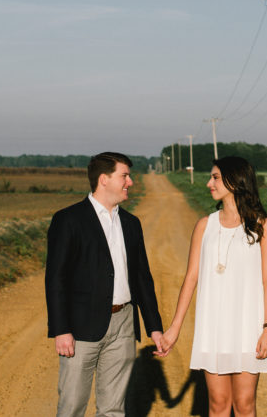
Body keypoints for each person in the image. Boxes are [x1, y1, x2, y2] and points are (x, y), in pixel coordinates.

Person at [157, 155, 267, 417]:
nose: (208, 183)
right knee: (218, 404)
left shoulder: (263, 227)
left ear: (235, 181)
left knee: (244, 404)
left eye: (214, 177)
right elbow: (191, 278)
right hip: (213, 328)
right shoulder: (205, 226)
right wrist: (174, 329)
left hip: (249, 327)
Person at [45, 152, 165, 417]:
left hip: (123, 324)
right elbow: (56, 278)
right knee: (72, 405)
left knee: (113, 408)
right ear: (103, 179)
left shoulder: (132, 224)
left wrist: (154, 327)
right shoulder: (68, 219)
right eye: (124, 176)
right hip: (80, 328)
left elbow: (143, 279)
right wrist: (61, 329)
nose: (130, 182)